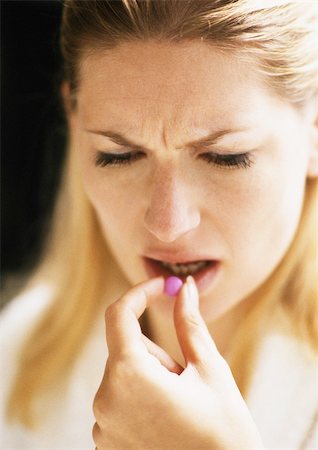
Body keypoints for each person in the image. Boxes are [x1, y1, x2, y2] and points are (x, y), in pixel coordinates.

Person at [1, 0, 318, 448]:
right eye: (119, 156)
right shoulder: (15, 359)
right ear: (74, 124)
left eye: (225, 157)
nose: (167, 225)